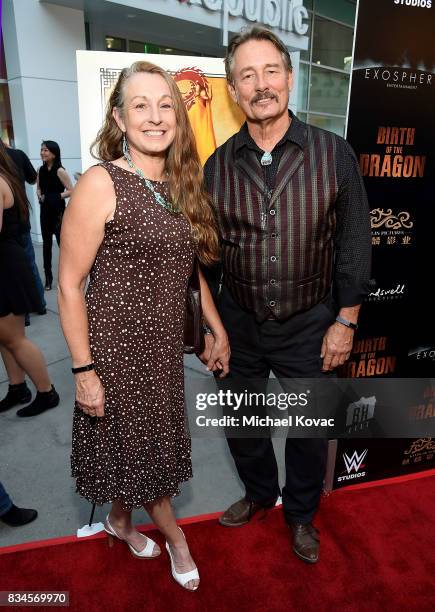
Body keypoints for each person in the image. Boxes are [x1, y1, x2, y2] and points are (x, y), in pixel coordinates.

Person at [58, 60, 230, 591]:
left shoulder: (181, 182)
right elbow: (68, 285)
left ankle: (119, 520)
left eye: (164, 106)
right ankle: (177, 539)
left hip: (160, 352)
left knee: (134, 447)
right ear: (119, 117)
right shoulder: (101, 181)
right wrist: (84, 371)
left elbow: (189, 270)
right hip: (113, 350)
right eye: (140, 105)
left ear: (177, 117)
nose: (155, 117)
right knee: (145, 453)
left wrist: (215, 329)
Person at [203, 27, 371, 564]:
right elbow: (203, 260)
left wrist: (345, 321)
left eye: (270, 70)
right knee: (243, 422)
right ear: (233, 90)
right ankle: (259, 494)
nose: (261, 84)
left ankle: (300, 514)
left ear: (290, 78)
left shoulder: (333, 153)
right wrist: (213, 328)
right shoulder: (216, 166)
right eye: (247, 75)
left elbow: (354, 241)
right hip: (239, 323)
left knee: (307, 432)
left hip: (310, 322)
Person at [0, 142, 60, 417]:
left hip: (6, 267)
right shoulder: (6, 177)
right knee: (4, 337)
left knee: (14, 339)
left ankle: (46, 392)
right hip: (7, 263)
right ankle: (17, 388)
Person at [1, 139, 47, 317]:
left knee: (18, 268)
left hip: (10, 228)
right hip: (19, 219)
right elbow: (33, 178)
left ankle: (25, 313)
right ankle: (39, 305)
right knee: (28, 264)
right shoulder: (18, 155)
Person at [37, 141, 73, 290]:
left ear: (54, 153)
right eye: (41, 150)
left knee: (62, 245)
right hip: (45, 212)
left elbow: (71, 190)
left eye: (45, 150)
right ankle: (48, 278)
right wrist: (39, 195)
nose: (42, 153)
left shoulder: (60, 171)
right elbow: (38, 187)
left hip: (58, 213)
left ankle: (67, 278)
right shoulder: (40, 169)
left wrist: (54, 196)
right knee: (46, 246)